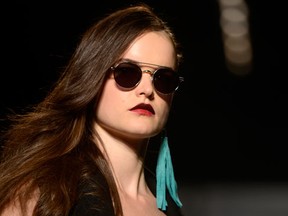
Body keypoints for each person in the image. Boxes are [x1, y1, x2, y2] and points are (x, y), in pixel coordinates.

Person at [0, 3, 184, 216]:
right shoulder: (43, 190)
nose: (146, 90)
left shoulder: (168, 207)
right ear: (92, 77)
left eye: (164, 79)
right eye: (127, 72)